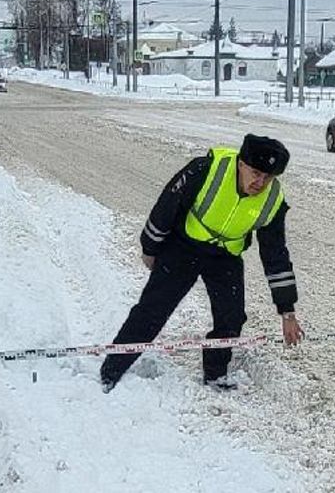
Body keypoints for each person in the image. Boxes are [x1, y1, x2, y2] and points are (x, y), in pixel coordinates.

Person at [100, 134, 305, 392]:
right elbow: (166, 206)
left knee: (231, 318)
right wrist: (150, 248)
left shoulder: (273, 200)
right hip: (183, 247)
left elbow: (275, 255)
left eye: (268, 177)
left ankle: (216, 375)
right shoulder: (206, 169)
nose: (260, 182)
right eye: (255, 172)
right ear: (241, 163)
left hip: (225, 257)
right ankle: (111, 370)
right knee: (152, 310)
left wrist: (287, 310)